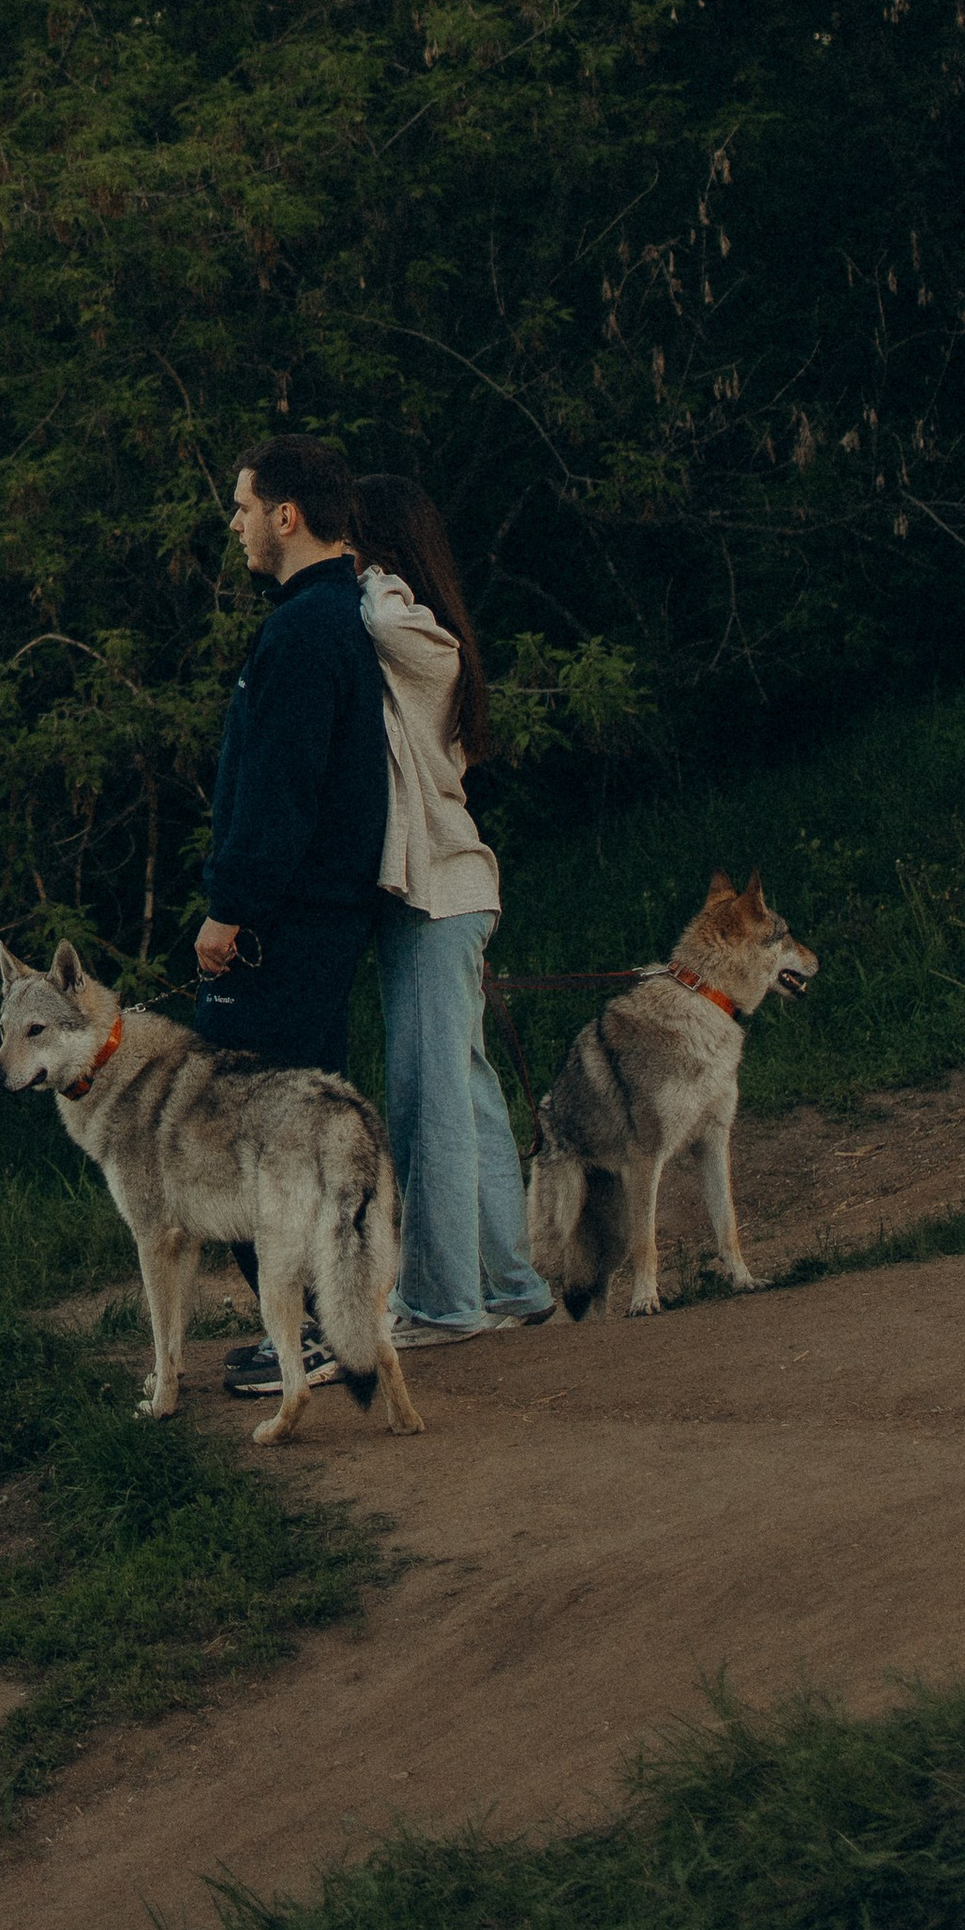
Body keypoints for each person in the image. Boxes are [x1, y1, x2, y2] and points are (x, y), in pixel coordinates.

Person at [195, 432, 390, 1401]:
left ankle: (309, 1336)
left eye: (241, 507)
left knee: (241, 1139)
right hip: (317, 927)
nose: (232, 524)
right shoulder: (329, 619)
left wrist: (230, 910)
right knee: (291, 1135)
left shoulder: (303, 635)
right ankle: (321, 1332)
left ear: (286, 514)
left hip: (285, 933)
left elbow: (279, 796)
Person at [355, 472, 553, 1343]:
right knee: (463, 1097)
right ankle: (511, 1284)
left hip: (441, 897)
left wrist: (363, 577)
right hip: (442, 897)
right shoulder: (415, 638)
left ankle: (442, 1304)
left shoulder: (409, 628)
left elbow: (391, 622)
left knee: (428, 1097)